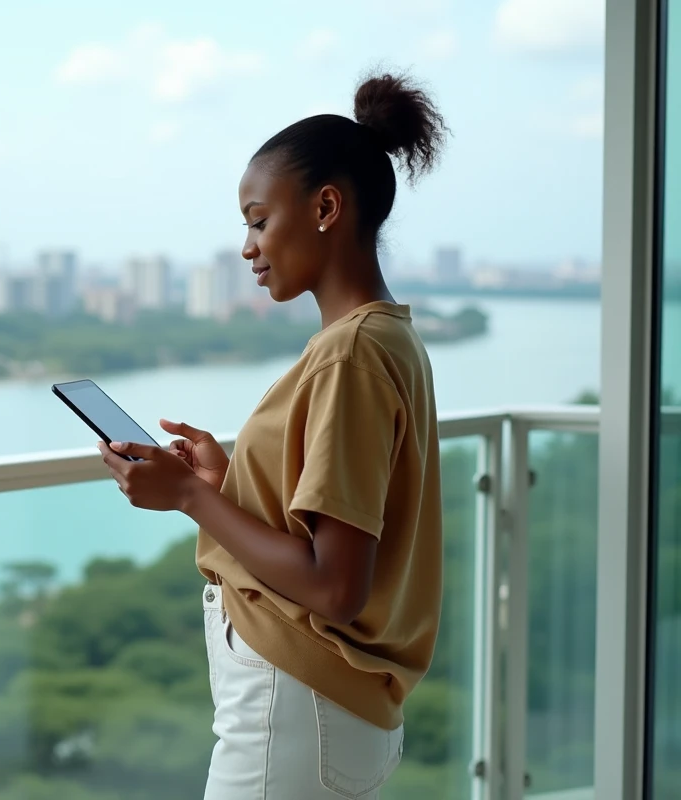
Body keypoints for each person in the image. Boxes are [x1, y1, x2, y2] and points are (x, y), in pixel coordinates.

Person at [97, 72, 447, 799]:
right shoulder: (385, 338)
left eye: (259, 220)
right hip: (323, 713)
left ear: (325, 207)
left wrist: (193, 500)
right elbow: (328, 525)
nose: (248, 247)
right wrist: (231, 484)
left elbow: (335, 585)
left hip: (298, 707)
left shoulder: (349, 354)